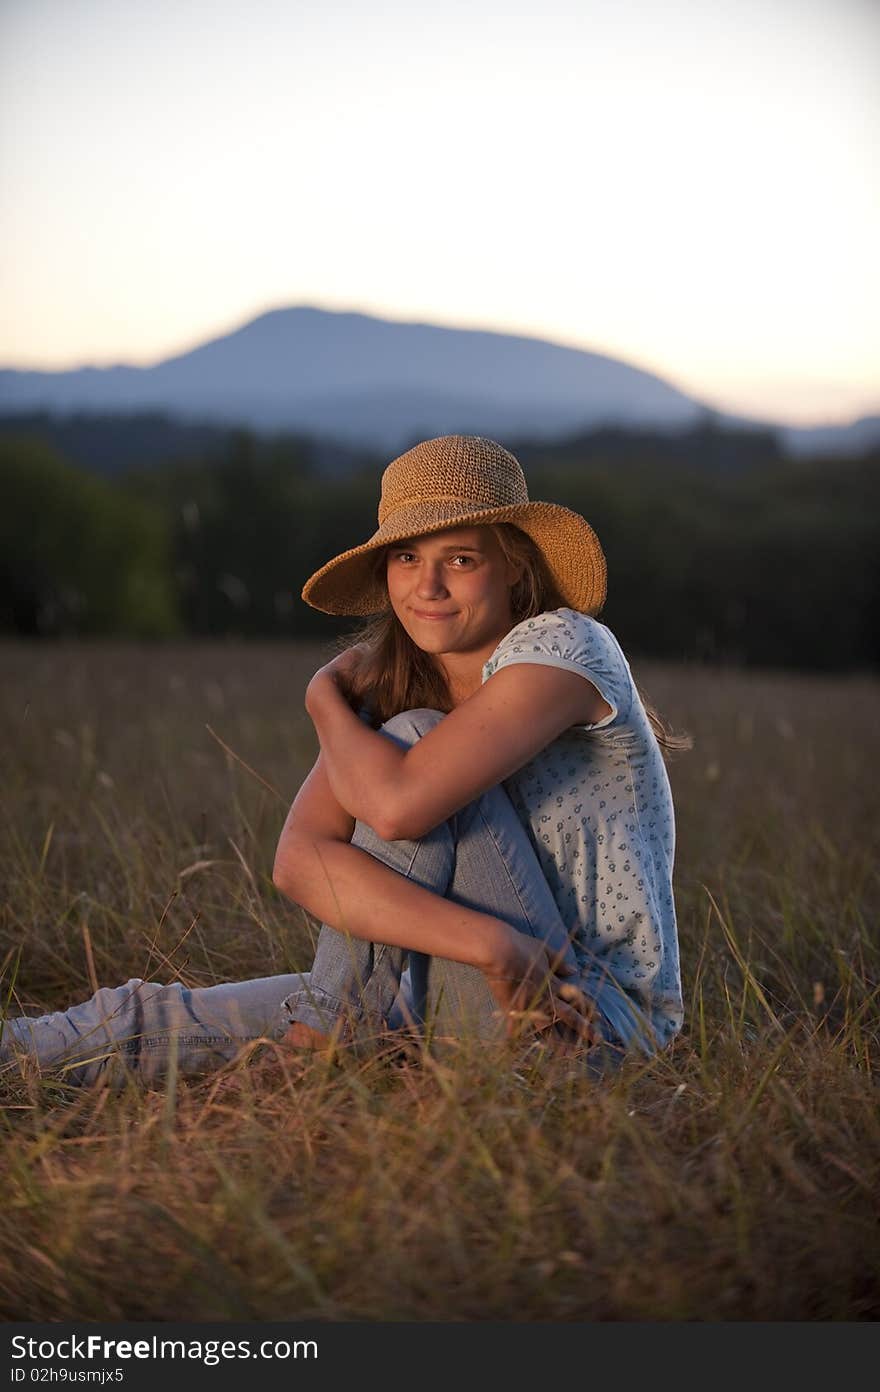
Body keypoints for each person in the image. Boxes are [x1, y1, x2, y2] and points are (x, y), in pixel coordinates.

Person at [0, 435, 686, 1089]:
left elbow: (396, 806)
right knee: (149, 1017)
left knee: (413, 741)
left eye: (461, 559)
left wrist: (322, 701)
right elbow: (299, 861)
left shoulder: (566, 648)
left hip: (584, 1019)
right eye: (407, 558)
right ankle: (23, 1057)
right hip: (450, 985)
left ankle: (323, 1043)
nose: (429, 586)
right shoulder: (401, 681)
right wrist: (489, 944)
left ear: (515, 565)